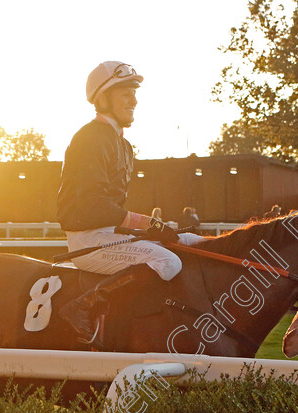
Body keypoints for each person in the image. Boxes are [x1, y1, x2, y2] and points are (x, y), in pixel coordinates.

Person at [56, 61, 204, 347]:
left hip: (109, 234)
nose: (134, 100)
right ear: (102, 98)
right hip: (88, 240)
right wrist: (146, 223)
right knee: (168, 261)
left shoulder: (122, 144)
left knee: (192, 241)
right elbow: (90, 205)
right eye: (125, 93)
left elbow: (113, 210)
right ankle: (84, 304)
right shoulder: (90, 138)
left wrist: (143, 228)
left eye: (134, 93)